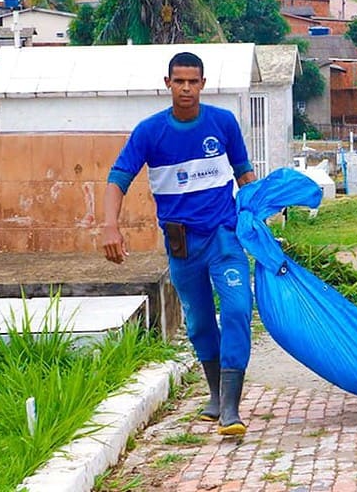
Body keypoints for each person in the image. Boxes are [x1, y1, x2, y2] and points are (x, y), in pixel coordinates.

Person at [102, 51, 257, 436]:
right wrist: (109, 226)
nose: (186, 87)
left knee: (238, 309)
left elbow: (245, 175)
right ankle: (216, 396)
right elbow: (118, 179)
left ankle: (231, 409)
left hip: (225, 237)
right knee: (200, 322)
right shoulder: (150, 132)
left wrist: (258, 220)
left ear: (203, 84)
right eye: (179, 81)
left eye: (193, 81)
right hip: (182, 245)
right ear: (168, 83)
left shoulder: (223, 123)